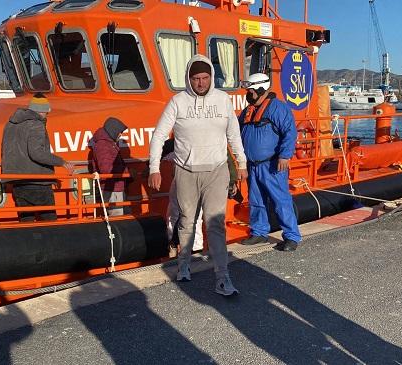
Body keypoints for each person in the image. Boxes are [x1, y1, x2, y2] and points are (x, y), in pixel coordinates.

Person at [148, 54, 247, 296]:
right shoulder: (177, 102)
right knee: (186, 221)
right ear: (188, 79)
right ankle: (183, 266)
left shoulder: (223, 101)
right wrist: (154, 168)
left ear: (211, 77)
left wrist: (241, 163)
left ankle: (223, 278)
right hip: (186, 171)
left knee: (215, 224)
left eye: (205, 78)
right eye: (195, 78)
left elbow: (234, 134)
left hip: (216, 171)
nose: (200, 83)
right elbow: (159, 135)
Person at [238, 73, 302, 251]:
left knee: (281, 200)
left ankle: (291, 236)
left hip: (272, 165)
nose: (248, 93)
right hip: (253, 165)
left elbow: (290, 132)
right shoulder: (248, 111)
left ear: (260, 89)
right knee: (256, 200)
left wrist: (284, 155)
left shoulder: (277, 108)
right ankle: (259, 232)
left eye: (250, 90)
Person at [1, 93, 74, 222]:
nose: (47, 115)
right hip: (38, 181)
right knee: (49, 220)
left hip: (17, 183)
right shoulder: (36, 124)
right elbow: (37, 153)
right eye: (47, 112)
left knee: (26, 221)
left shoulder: (10, 124)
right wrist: (61, 162)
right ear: (42, 111)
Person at [90, 117, 128, 217]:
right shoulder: (103, 145)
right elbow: (106, 169)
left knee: (120, 215)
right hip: (112, 189)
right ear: (113, 130)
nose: (120, 135)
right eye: (119, 132)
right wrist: (127, 172)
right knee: (117, 216)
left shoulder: (108, 143)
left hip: (114, 187)